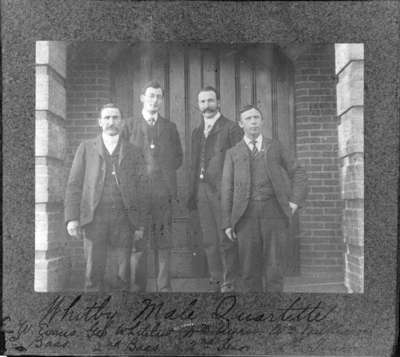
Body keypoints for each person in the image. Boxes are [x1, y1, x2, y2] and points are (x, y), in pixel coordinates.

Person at [221, 104, 308, 292]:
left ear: (262, 121)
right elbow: (226, 189)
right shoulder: (233, 153)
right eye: (248, 119)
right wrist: (227, 223)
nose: (253, 122)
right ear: (241, 124)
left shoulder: (275, 146)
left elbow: (298, 172)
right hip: (245, 216)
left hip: (273, 213)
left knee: (274, 269)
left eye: (256, 118)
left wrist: (293, 202)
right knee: (248, 270)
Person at [64, 103, 146, 292]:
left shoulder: (133, 150)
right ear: (100, 122)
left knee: (123, 274)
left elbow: (142, 189)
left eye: (115, 118)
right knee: (93, 273)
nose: (111, 122)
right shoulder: (86, 148)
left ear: (122, 122)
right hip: (94, 218)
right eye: (107, 118)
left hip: (124, 219)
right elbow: (74, 185)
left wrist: (139, 223)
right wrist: (72, 219)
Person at [125, 81, 183, 292]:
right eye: (151, 96)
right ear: (142, 98)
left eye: (159, 96)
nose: (155, 100)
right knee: (138, 243)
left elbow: (178, 158)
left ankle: (164, 288)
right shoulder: (129, 126)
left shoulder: (170, 127)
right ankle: (138, 288)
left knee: (163, 242)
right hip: (138, 196)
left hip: (162, 195)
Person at [187, 86, 243, 292]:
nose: (206, 106)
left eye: (210, 101)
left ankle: (229, 282)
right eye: (202, 102)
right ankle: (216, 279)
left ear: (218, 102)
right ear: (198, 105)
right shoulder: (196, 132)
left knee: (225, 238)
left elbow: (239, 162)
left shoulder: (231, 128)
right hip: (201, 191)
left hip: (223, 191)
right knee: (209, 239)